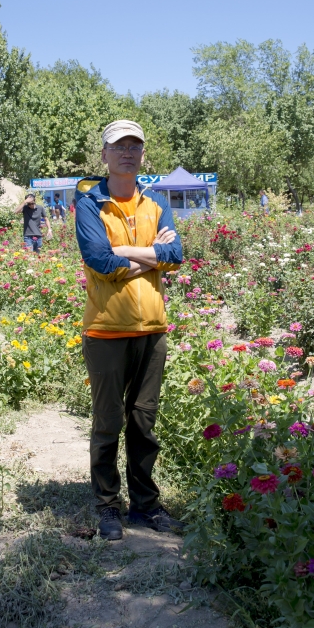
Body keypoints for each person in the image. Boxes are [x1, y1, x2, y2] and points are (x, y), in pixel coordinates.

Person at [75, 120, 184, 541]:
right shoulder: (90, 203)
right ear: (104, 154)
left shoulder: (156, 203)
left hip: (152, 330)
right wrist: (151, 257)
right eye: (118, 146)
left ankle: (145, 506)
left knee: (144, 423)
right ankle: (107, 507)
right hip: (105, 331)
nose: (126, 152)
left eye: (134, 146)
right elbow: (99, 259)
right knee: (107, 422)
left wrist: (129, 252)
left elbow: (175, 254)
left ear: (142, 155)